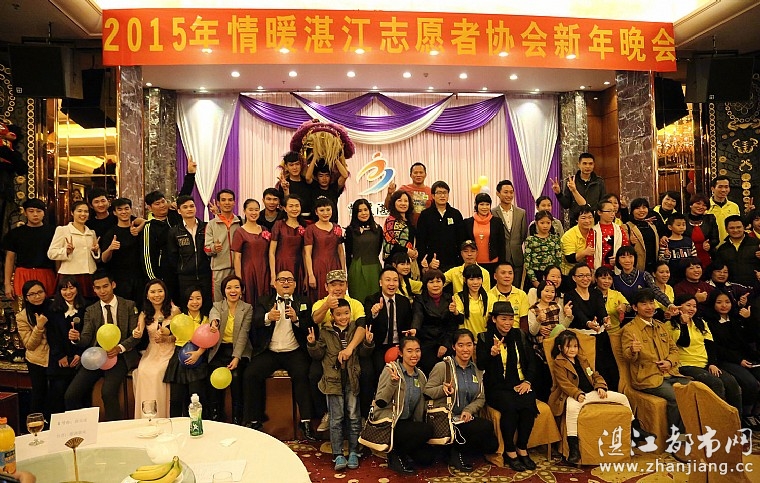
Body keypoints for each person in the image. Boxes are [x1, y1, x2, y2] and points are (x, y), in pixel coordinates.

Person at [548, 330, 641, 465]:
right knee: (572, 409)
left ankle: (636, 430)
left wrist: (600, 386)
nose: (573, 350)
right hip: (572, 395)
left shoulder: (582, 359)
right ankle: (574, 449)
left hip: (591, 393)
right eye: (568, 346)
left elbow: (594, 374)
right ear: (560, 348)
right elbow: (564, 384)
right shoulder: (559, 362)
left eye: (575, 346)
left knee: (622, 398)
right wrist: (577, 394)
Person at [246, 271, 314, 439]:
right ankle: (255, 420)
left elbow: (311, 326)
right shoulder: (264, 301)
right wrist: (268, 317)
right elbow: (254, 321)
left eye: (290, 280)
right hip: (270, 351)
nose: (286, 282)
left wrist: (297, 319)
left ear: (295, 284)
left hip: (294, 351)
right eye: (282, 280)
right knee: (251, 374)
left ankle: (306, 421)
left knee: (303, 374)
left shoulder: (303, 302)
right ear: (275, 284)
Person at [307, 298, 373, 471]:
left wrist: (368, 342)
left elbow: (363, 353)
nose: (343, 317)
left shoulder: (355, 330)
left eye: (346, 313)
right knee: (336, 419)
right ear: (332, 316)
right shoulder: (326, 331)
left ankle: (354, 452)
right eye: (339, 314)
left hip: (352, 378)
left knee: (354, 416)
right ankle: (337, 454)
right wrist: (312, 343)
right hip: (332, 380)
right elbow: (318, 354)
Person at [65, 272, 140, 421]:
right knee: (71, 394)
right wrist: (77, 339)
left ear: (113, 285)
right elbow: (86, 338)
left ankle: (114, 430)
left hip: (120, 356)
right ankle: (81, 429)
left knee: (108, 392)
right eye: (98, 288)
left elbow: (135, 336)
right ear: (93, 289)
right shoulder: (91, 310)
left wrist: (119, 348)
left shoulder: (129, 305)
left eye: (105, 286)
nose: (102, 291)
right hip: (96, 356)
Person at [424, 329, 499, 472]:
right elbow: (427, 391)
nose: (465, 349)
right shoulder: (443, 367)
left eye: (469, 345)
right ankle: (455, 452)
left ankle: (454, 449)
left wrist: (469, 410)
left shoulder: (476, 369)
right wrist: (442, 389)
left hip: (464, 418)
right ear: (454, 347)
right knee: (482, 428)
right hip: (445, 418)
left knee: (492, 444)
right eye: (461, 345)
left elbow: (481, 397)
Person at [476, 302, 538, 472]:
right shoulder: (484, 338)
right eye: (503, 319)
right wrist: (491, 354)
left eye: (510, 319)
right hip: (497, 387)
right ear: (494, 319)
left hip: (520, 382)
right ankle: (510, 451)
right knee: (510, 407)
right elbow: (480, 365)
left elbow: (531, 363)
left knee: (528, 405)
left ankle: (522, 448)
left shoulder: (519, 335)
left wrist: (527, 382)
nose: (508, 323)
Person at [621, 288, 690, 434]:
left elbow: (674, 350)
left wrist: (669, 362)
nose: (649, 307)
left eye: (651, 303)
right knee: (676, 397)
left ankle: (696, 433)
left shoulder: (661, 325)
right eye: (644, 304)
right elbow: (627, 357)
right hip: (648, 378)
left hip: (670, 373)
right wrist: (633, 350)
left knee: (696, 389)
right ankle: (677, 440)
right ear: (635, 307)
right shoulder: (629, 329)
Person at [667, 294, 742, 418]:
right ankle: (717, 420)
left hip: (705, 364)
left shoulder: (700, 322)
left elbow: (710, 345)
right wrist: (683, 324)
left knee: (731, 382)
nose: (692, 309)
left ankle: (736, 420)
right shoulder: (670, 325)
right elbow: (684, 342)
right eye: (688, 305)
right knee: (716, 383)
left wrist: (712, 363)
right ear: (679, 307)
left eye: (694, 306)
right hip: (686, 365)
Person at [372, 336, 434, 475]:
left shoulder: (420, 375)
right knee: (426, 430)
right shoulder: (391, 370)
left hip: (408, 423)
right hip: (390, 423)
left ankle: (403, 450)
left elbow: (425, 400)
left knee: (427, 458)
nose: (414, 355)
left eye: (417, 350)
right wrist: (393, 383)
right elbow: (380, 401)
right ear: (400, 353)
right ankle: (395, 454)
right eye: (409, 351)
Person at [703, 289, 760, 429]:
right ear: (713, 304)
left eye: (727, 302)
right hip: (725, 360)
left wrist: (748, 319)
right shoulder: (709, 322)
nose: (724, 305)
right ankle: (746, 415)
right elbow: (717, 348)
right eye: (719, 302)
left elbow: (750, 338)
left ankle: (756, 412)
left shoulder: (736, 318)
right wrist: (739, 360)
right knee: (750, 383)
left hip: (745, 357)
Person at [362, 267, 413, 415]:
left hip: (398, 346)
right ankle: (375, 410)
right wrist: (374, 313)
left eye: (395, 280)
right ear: (380, 282)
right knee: (378, 372)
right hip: (379, 346)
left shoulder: (404, 301)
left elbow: (408, 325)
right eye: (388, 280)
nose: (392, 284)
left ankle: (402, 408)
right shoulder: (371, 300)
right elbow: (367, 323)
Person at [207, 275, 253, 424]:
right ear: (224, 291)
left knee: (236, 378)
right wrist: (214, 323)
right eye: (229, 288)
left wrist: (236, 357)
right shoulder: (217, 305)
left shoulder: (247, 308)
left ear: (242, 290)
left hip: (239, 350)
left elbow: (243, 334)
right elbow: (214, 315)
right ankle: (216, 418)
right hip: (219, 350)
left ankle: (237, 420)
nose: (233, 291)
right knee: (214, 378)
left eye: (236, 287)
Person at [566, 263, 618, 391]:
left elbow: (601, 310)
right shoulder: (570, 295)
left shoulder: (596, 293)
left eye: (588, 275)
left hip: (600, 334)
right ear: (574, 278)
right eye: (581, 276)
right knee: (590, 369)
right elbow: (577, 313)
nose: (585, 278)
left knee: (609, 368)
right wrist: (588, 323)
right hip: (581, 337)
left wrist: (606, 319)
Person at [131, 279, 178, 419]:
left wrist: (167, 338)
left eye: (160, 291)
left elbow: (181, 335)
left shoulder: (175, 311)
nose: (157, 295)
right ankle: (146, 415)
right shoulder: (144, 314)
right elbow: (138, 331)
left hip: (170, 350)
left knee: (158, 372)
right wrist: (136, 333)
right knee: (143, 371)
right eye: (152, 292)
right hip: (152, 351)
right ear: (147, 295)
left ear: (165, 293)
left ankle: (162, 415)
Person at [164, 286, 209, 417]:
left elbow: (209, 339)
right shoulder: (180, 317)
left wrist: (198, 353)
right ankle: (175, 425)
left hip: (198, 356)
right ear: (185, 301)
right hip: (179, 357)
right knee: (176, 398)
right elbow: (169, 329)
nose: (195, 302)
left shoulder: (206, 319)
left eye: (198, 298)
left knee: (196, 396)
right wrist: (163, 331)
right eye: (191, 299)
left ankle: (198, 424)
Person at [46, 275, 86, 415]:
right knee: (58, 394)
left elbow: (89, 335)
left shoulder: (86, 308)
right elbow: (51, 335)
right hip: (59, 362)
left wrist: (80, 354)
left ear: (77, 289)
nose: (68, 292)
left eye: (71, 288)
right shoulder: (52, 310)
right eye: (64, 289)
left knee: (78, 396)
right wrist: (59, 356)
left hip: (80, 360)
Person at [166, 195, 212, 313]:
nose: (189, 209)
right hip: (185, 277)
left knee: (206, 307)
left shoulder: (206, 227)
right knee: (187, 307)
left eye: (192, 206)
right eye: (185, 207)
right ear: (179, 211)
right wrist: (181, 269)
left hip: (205, 274)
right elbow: (172, 256)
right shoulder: (174, 231)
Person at [3, 198, 56, 299]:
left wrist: (59, 279)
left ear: (44, 213)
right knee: (22, 306)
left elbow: (58, 259)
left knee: (48, 305)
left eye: (39, 211)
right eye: (31, 211)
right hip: (23, 274)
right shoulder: (15, 233)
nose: (35, 214)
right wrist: (7, 284)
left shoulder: (53, 232)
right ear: (25, 213)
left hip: (46, 274)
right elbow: (9, 259)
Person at [528, 280, 571, 401]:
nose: (549, 294)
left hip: (556, 344)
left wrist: (568, 316)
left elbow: (563, 326)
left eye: (552, 292)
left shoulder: (557, 307)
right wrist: (538, 321)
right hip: (540, 346)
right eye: (546, 291)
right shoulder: (533, 310)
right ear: (539, 292)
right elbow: (532, 331)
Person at [47, 201, 100, 297]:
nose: (83, 214)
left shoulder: (91, 232)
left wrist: (95, 251)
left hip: (89, 275)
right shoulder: (63, 230)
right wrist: (66, 251)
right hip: (70, 275)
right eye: (79, 211)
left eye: (86, 211)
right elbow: (51, 253)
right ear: (72, 213)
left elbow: (94, 255)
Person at [412, 269, 459, 375]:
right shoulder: (419, 299)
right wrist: (414, 328)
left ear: (443, 283)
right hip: (427, 342)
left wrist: (445, 345)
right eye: (431, 282)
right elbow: (418, 316)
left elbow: (452, 326)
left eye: (438, 281)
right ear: (426, 284)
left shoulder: (450, 298)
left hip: (446, 341)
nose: (435, 285)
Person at [101, 198, 145, 306]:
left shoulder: (139, 230)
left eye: (126, 208)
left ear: (131, 210)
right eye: (120, 209)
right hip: (120, 279)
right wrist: (110, 248)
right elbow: (104, 259)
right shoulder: (110, 233)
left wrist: (140, 227)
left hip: (140, 277)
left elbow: (149, 222)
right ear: (114, 212)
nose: (124, 212)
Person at [16, 280, 50, 417]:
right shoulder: (22, 316)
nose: (37, 296)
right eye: (32, 294)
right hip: (37, 360)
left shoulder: (53, 307)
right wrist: (39, 327)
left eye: (40, 292)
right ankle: (35, 424)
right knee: (39, 393)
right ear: (26, 297)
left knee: (56, 394)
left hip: (55, 357)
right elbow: (29, 344)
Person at [612, 246, 677, 315]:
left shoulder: (644, 275)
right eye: (623, 257)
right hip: (624, 317)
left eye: (630, 257)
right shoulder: (615, 280)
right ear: (618, 260)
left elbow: (655, 291)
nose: (627, 260)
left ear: (635, 259)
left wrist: (669, 304)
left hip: (645, 315)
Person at [416, 181, 464, 272]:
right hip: (432, 263)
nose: (442, 196)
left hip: (453, 263)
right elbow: (421, 241)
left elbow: (461, 239)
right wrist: (426, 262)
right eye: (439, 193)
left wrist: (460, 261)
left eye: (445, 193)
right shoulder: (425, 215)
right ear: (433, 196)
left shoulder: (455, 214)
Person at [304, 197, 346, 302]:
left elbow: (341, 251)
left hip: (335, 265)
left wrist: (343, 271)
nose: (325, 213)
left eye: (328, 209)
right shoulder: (311, 229)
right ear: (316, 212)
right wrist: (310, 274)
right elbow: (307, 253)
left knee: (337, 296)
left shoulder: (336, 227)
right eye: (322, 210)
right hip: (318, 267)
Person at [205, 189, 242, 302]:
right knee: (219, 302)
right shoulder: (211, 224)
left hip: (238, 268)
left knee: (238, 301)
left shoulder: (241, 222)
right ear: (218, 203)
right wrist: (214, 248)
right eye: (223, 200)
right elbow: (207, 248)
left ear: (234, 202)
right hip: (219, 269)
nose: (227, 203)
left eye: (230, 200)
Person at [232, 199, 271, 303]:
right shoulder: (240, 232)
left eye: (256, 210)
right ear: (244, 211)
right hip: (248, 271)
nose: (254, 213)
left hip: (264, 270)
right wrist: (239, 281)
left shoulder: (264, 229)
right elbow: (237, 258)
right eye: (250, 210)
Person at [344, 198, 383, 304]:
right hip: (357, 270)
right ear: (355, 213)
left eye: (366, 210)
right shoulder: (350, 230)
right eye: (360, 211)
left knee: (376, 301)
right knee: (358, 301)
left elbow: (378, 249)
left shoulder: (378, 229)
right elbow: (348, 253)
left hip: (375, 269)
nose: (363, 213)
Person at [552, 152, 606, 225]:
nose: (587, 166)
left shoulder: (599, 182)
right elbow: (566, 205)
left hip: (593, 221)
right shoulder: (571, 181)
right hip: (576, 221)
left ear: (594, 165)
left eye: (590, 164)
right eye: (584, 163)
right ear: (579, 165)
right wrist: (558, 193)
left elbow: (603, 203)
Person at [492, 180, 527, 285]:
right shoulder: (492, 213)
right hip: (500, 257)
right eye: (506, 192)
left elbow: (523, 235)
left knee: (516, 287)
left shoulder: (521, 213)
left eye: (511, 192)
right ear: (498, 193)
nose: (509, 195)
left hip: (517, 257)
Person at [269, 194, 307, 291]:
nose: (294, 209)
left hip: (298, 265)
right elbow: (272, 252)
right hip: (281, 264)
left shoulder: (304, 226)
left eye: (297, 206)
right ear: (285, 209)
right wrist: (273, 274)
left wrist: (307, 274)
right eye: (291, 206)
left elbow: (304, 252)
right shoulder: (279, 225)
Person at [464, 192, 506, 277]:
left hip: (493, 263)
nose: (484, 207)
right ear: (476, 205)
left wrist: (502, 264)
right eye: (481, 204)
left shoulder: (497, 222)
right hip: (474, 263)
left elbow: (501, 244)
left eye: (487, 204)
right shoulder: (468, 222)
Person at [714, 215, 760, 287]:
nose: (735, 230)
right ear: (726, 229)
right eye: (732, 228)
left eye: (738, 227)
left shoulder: (757, 243)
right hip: (732, 288)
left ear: (744, 227)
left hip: (755, 286)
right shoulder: (722, 249)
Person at [586, 199, 630, 272]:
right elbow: (590, 254)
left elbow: (625, 248)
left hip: (617, 269)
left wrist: (618, 259)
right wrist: (591, 271)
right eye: (609, 211)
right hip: (599, 270)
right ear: (599, 212)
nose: (612, 214)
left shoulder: (619, 229)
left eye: (613, 211)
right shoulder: (594, 231)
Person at [384, 162, 432, 227]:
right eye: (415, 173)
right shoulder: (403, 189)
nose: (418, 175)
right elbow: (388, 206)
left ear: (425, 175)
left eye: (421, 172)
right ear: (411, 175)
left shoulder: (431, 191)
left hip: (425, 227)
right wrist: (389, 194)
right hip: (405, 226)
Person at [524, 210, 562, 288]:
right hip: (535, 274)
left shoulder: (555, 239)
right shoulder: (530, 240)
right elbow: (527, 263)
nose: (545, 226)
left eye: (548, 223)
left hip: (551, 275)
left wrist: (555, 275)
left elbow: (558, 259)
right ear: (536, 223)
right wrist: (534, 281)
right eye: (542, 223)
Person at [487, 261, 530, 330]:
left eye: (510, 273)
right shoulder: (488, 295)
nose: (507, 276)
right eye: (503, 273)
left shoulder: (522, 295)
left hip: (516, 332)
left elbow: (524, 321)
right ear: (495, 276)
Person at [658, 213, 697, 285]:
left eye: (684, 225)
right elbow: (661, 261)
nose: (682, 227)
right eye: (678, 225)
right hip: (673, 276)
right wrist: (666, 256)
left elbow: (694, 258)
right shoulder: (666, 242)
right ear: (670, 227)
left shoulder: (689, 241)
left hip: (687, 275)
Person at [624, 197, 660, 272]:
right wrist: (630, 242)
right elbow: (623, 248)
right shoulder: (627, 227)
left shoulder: (651, 225)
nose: (641, 210)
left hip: (653, 266)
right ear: (632, 211)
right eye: (637, 208)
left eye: (644, 207)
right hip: (636, 267)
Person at [684, 193, 720, 268]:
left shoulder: (710, 219)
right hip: (687, 256)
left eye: (704, 205)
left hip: (707, 255)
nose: (701, 207)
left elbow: (716, 239)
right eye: (698, 203)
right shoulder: (683, 218)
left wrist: (709, 244)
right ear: (691, 205)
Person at [382, 190, 417, 265]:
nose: (403, 203)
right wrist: (407, 251)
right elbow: (390, 243)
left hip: (407, 262)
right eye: (399, 200)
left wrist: (414, 252)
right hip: (393, 262)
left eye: (406, 201)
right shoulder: (390, 220)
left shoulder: (410, 221)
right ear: (394, 203)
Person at [453, 264, 489, 336]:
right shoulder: (458, 297)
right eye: (471, 279)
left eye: (478, 278)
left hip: (485, 339)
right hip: (466, 339)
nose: (475, 282)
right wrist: (455, 312)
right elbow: (460, 320)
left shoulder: (490, 297)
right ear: (465, 280)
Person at [278, 151, 315, 218]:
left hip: (310, 219)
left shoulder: (307, 182)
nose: (295, 167)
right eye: (291, 165)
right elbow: (284, 205)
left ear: (301, 165)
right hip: (292, 219)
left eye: (297, 164)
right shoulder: (284, 184)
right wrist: (286, 190)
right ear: (286, 167)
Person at [561, 206, 596, 275]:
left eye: (590, 217)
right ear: (577, 220)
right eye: (583, 218)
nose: (587, 221)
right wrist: (585, 252)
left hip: (591, 272)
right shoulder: (569, 235)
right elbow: (570, 259)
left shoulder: (596, 231)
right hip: (571, 272)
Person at [594, 267, 629, 333]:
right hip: (595, 332)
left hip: (614, 331)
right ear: (596, 279)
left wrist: (624, 307)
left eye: (610, 278)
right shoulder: (589, 294)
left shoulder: (616, 294)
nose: (607, 281)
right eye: (603, 278)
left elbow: (629, 307)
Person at [707, 175, 741, 244]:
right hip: (712, 246)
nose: (723, 190)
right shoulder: (706, 206)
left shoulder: (734, 206)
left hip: (731, 246)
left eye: (726, 187)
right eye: (720, 187)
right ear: (713, 189)